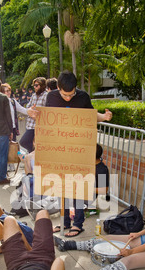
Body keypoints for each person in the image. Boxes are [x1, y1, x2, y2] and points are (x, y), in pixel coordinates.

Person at [47, 71, 113, 237]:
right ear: (58, 88)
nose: (68, 98)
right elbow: (46, 118)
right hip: (60, 150)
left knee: (77, 187)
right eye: (64, 95)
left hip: (80, 149)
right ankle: (64, 222)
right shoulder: (51, 97)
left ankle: (78, 223)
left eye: (71, 94)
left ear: (76, 88)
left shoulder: (83, 97)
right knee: (63, 187)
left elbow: (90, 116)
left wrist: (104, 117)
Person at [19, 77, 48, 153]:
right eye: (34, 85)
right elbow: (28, 107)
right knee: (25, 142)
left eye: (36, 85)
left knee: (23, 141)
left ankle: (35, 153)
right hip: (30, 124)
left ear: (42, 86)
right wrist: (30, 109)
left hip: (39, 125)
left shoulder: (46, 95)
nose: (34, 87)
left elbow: (48, 111)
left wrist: (37, 114)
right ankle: (34, 154)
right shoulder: (33, 95)